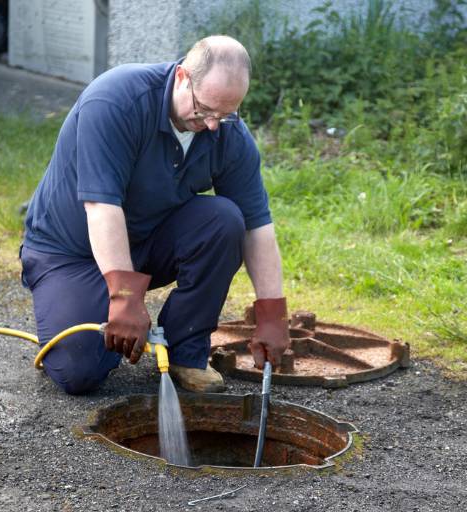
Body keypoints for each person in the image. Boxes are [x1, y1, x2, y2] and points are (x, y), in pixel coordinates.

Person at [20, 35, 290, 395]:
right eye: (205, 110)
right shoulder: (116, 101)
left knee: (225, 220)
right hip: (71, 253)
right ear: (181, 77)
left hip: (145, 242)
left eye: (225, 115)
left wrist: (272, 313)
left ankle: (186, 352)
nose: (212, 124)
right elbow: (102, 207)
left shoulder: (227, 133)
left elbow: (258, 227)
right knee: (79, 371)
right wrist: (125, 298)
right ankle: (101, 313)